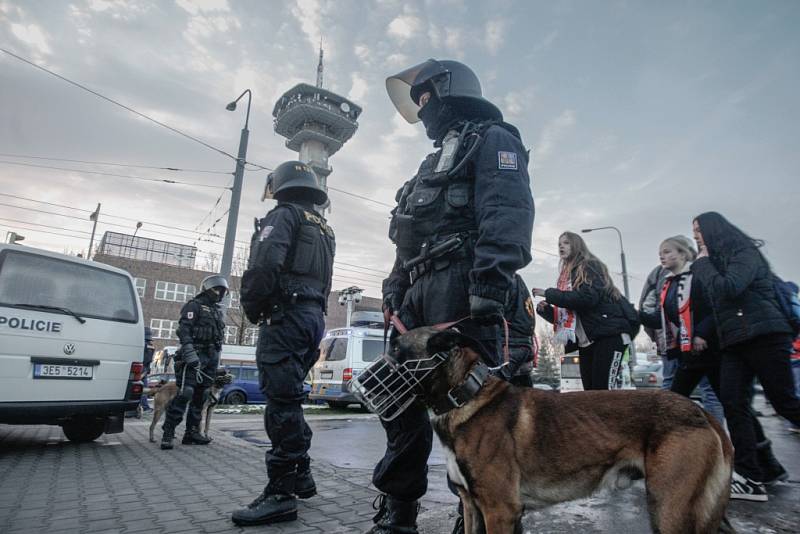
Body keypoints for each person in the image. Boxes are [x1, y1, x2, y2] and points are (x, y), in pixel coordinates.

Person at [370, 58, 535, 534]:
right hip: (418, 292)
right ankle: (399, 510)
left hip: (463, 287)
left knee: (472, 416)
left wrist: (488, 286)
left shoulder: (494, 139)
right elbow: (406, 239)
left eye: (426, 98)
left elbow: (507, 213)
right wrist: (394, 291)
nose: (423, 109)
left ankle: (481, 516)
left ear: (451, 90)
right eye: (417, 102)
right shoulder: (430, 162)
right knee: (399, 405)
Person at [232, 161, 334, 527]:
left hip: (285, 318)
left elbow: (263, 266)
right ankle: (301, 474)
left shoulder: (283, 216)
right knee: (290, 398)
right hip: (312, 319)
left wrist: (254, 308)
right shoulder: (324, 227)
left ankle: (280, 493)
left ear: (281, 186)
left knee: (279, 404)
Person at [692, 211, 800, 501]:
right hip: (735, 342)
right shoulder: (714, 263)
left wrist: (702, 264)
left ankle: (759, 471)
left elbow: (728, 288)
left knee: (784, 401)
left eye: (699, 232)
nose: (696, 239)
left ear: (715, 231)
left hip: (766, 336)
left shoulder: (744, 253)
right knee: (733, 403)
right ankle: (751, 476)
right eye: (694, 235)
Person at [637, 236, 725, 424]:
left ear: (683, 254)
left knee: (725, 399)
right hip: (688, 352)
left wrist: (701, 334)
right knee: (675, 399)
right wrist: (634, 314)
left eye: (667, 252)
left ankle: (742, 443)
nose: (662, 257)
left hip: (708, 348)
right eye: (660, 254)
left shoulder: (697, 275)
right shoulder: (669, 283)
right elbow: (661, 319)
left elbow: (714, 308)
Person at [534, 232, 636, 390]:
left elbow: (587, 298)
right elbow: (569, 317)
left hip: (608, 335)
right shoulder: (565, 277)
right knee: (590, 393)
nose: (561, 246)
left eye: (566, 243)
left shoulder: (589, 266)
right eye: (559, 243)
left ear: (576, 245)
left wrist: (549, 294)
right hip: (586, 341)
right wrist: (547, 310)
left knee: (603, 392)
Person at [160, 275, 227, 450]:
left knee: (202, 395)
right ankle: (168, 432)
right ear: (207, 288)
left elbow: (217, 336)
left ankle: (191, 432)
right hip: (194, 355)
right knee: (186, 393)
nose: (219, 293)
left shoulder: (216, 311)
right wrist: (189, 352)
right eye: (217, 289)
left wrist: (217, 363)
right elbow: (184, 330)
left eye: (222, 290)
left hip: (211, 356)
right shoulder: (194, 306)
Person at [140, 327, 155, 413]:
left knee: (140, 389)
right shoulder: (151, 346)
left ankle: (143, 407)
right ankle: (144, 407)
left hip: (140, 368)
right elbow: (149, 360)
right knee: (144, 389)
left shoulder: (142, 344)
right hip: (145, 369)